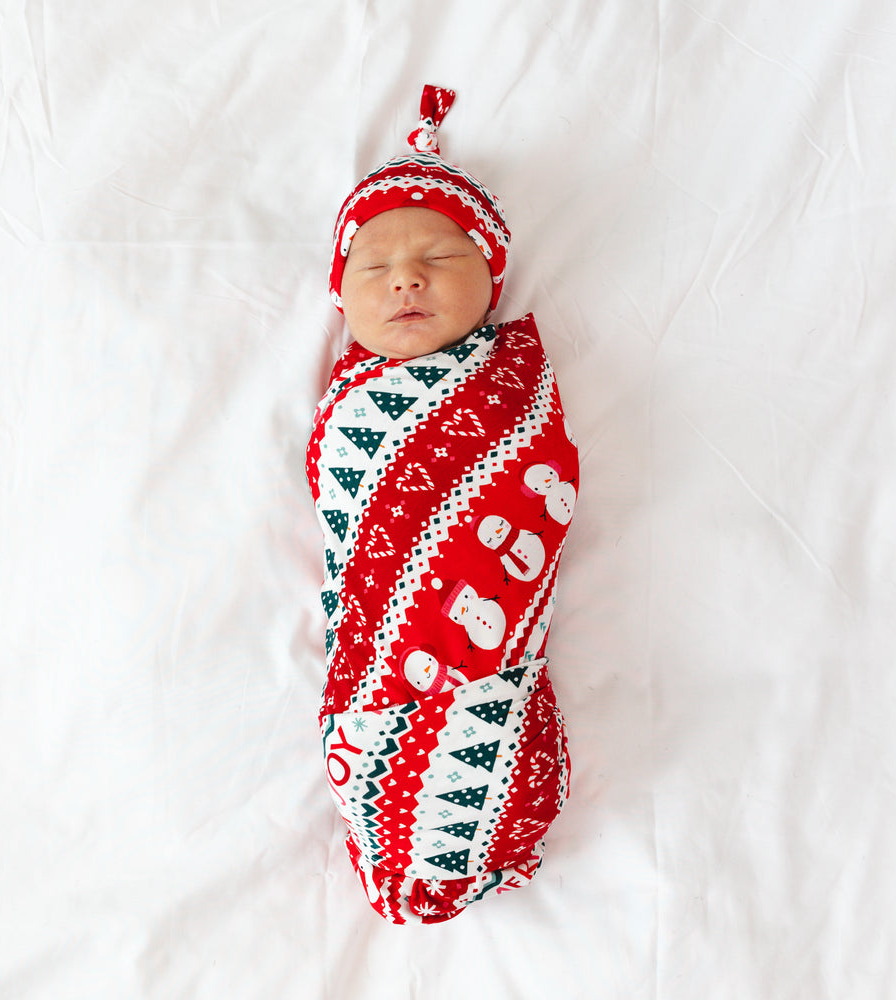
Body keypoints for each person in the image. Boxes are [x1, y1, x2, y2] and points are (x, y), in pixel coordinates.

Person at [305, 85, 579, 924]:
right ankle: (399, 825)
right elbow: (346, 527)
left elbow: (539, 476)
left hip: (484, 655)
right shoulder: (350, 406)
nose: (408, 279)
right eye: (375, 268)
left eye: (442, 258)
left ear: (490, 281)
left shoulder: (507, 389)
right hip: (380, 666)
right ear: (342, 297)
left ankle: (478, 799)